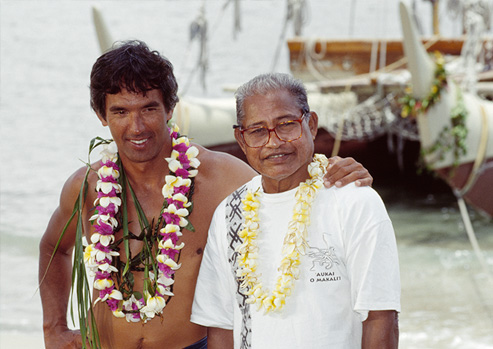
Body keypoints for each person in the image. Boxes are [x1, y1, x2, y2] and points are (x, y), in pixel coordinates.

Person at [38, 40, 374, 349]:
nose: (136, 126)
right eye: (120, 112)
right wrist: (54, 329)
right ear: (101, 115)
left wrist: (334, 174)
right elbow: (54, 247)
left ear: (171, 108)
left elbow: (295, 201)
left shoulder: (223, 178)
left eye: (149, 109)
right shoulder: (88, 187)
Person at [191, 73, 401, 348]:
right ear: (241, 140)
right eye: (257, 131)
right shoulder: (230, 213)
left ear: (311, 125)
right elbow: (221, 325)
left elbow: (380, 317)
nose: (274, 142)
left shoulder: (355, 202)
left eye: (287, 125)